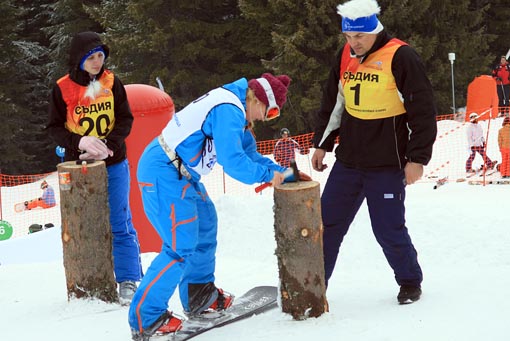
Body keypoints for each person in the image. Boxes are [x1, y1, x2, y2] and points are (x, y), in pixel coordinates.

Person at [128, 72, 310, 340]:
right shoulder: (229, 109)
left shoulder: (239, 111)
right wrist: (269, 176)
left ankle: (199, 295)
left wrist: (284, 171)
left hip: (182, 174)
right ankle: (148, 317)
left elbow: (249, 154)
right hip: (164, 171)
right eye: (269, 112)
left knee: (206, 224)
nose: (265, 118)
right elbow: (233, 161)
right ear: (257, 99)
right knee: (180, 245)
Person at [311, 0, 437, 305]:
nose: (353, 43)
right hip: (349, 161)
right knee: (326, 227)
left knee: (388, 230)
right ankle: (314, 288)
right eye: (347, 37)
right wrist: (322, 143)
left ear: (374, 30)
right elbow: (334, 101)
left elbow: (422, 111)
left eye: (359, 37)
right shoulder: (345, 56)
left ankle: (409, 281)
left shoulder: (400, 56)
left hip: (387, 164)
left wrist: (417, 159)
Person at [47, 31, 142, 303]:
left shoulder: (113, 82)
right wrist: (80, 141)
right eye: (92, 56)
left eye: (101, 56)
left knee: (119, 222)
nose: (97, 61)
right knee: (80, 225)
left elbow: (125, 118)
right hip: (77, 167)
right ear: (79, 58)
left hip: (113, 162)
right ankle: (87, 282)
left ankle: (128, 280)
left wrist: (110, 144)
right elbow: (54, 127)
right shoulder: (62, 87)